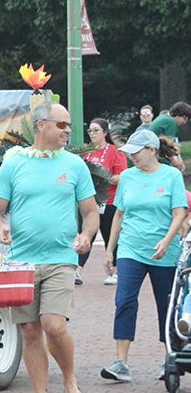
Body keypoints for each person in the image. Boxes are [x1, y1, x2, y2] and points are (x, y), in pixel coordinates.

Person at [0, 102, 97, 393]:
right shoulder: (13, 162)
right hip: (21, 261)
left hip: (61, 258)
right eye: (61, 125)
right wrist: (1, 226)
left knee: (53, 325)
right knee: (31, 330)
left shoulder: (75, 165)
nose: (67, 131)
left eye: (69, 126)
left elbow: (91, 212)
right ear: (40, 126)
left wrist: (87, 235)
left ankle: (70, 381)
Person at [100, 131, 187, 382]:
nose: (131, 156)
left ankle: (169, 358)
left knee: (167, 305)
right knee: (124, 299)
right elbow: (119, 214)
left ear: (151, 149)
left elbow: (179, 213)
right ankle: (121, 363)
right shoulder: (127, 177)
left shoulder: (171, 175)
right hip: (130, 248)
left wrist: (167, 240)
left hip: (164, 252)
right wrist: (109, 251)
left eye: (136, 152)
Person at [77, 118, 128, 285]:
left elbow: (123, 176)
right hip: (90, 201)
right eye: (90, 130)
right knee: (85, 234)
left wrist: (104, 179)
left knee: (110, 235)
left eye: (96, 130)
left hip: (110, 200)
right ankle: (77, 270)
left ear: (105, 132)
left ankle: (116, 271)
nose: (92, 134)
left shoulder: (114, 151)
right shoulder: (87, 152)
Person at [147, 102, 189, 170]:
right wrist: (175, 161)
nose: (184, 122)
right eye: (185, 119)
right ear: (181, 115)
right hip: (157, 156)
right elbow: (168, 145)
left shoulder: (163, 117)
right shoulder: (171, 122)